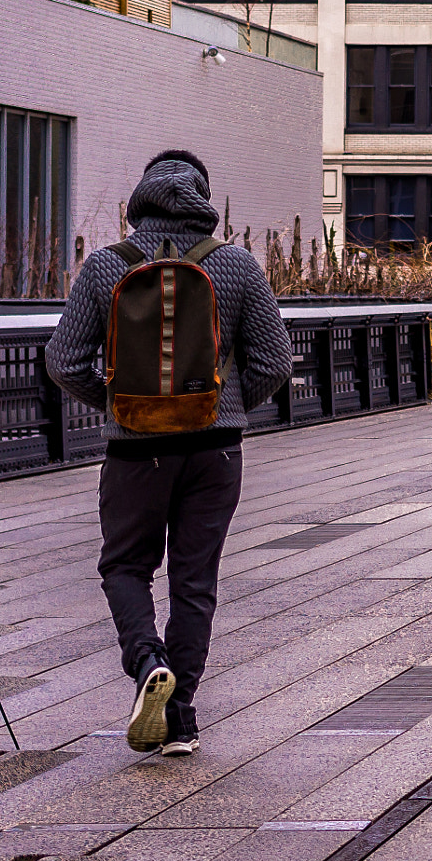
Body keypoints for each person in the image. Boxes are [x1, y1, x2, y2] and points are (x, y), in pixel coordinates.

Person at [46, 152, 292, 757]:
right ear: (205, 199)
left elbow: (61, 360)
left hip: (135, 450)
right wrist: (222, 405)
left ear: (140, 200)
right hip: (214, 449)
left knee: (125, 566)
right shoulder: (235, 266)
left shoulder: (107, 266)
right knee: (194, 579)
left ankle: (147, 661)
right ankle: (180, 717)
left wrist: (118, 405)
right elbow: (276, 360)